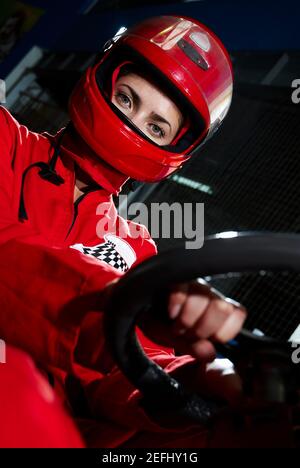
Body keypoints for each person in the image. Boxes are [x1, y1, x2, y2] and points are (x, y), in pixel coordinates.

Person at [0, 15, 246, 447]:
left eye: (156, 127)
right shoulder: (6, 144)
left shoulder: (135, 249)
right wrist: (114, 304)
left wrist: (186, 380)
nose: (133, 125)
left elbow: (128, 368)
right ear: (101, 78)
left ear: (175, 150)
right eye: (127, 99)